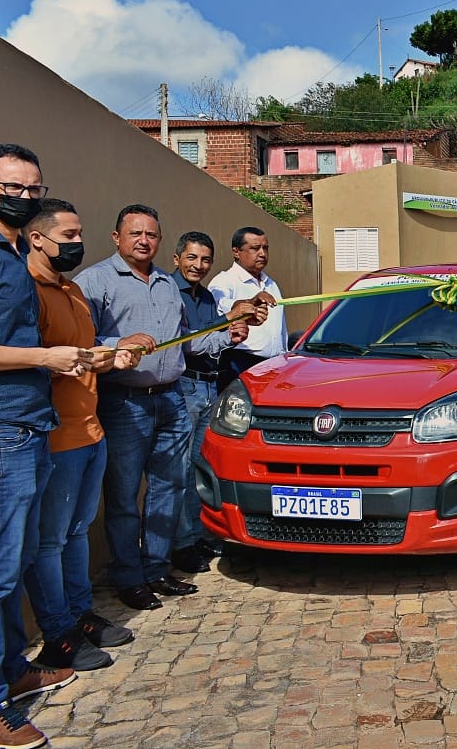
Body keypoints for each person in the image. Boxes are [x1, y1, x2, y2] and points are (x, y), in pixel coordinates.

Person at [0, 144, 88, 748]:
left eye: (35, 190)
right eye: (14, 187)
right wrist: (42, 357)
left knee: (18, 561)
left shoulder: (14, 259)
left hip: (29, 427)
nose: (25, 198)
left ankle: (12, 671)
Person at [75, 204, 259, 611]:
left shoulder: (164, 284)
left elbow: (188, 342)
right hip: (124, 403)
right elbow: (78, 341)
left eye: (151, 235)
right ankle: (129, 576)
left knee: (169, 488)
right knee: (123, 498)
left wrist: (227, 335)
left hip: (171, 399)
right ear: (116, 238)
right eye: (135, 233)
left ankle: (157, 569)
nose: (144, 241)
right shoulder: (94, 282)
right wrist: (114, 346)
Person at [24, 199, 139, 674]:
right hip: (55, 437)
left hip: (92, 430)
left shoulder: (71, 291)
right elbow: (31, 360)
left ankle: (79, 614)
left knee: (76, 534)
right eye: (68, 236)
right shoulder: (24, 292)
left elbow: (85, 353)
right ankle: (58, 633)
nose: (77, 243)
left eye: (78, 234)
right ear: (37, 239)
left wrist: (115, 355)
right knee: (49, 541)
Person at [170, 231, 245, 573]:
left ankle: (197, 535)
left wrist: (228, 334)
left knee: (198, 468)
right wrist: (227, 335)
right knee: (181, 471)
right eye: (191, 258)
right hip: (185, 388)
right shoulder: (171, 293)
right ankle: (181, 544)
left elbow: (211, 336)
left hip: (208, 387)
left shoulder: (205, 297)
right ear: (177, 259)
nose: (198, 265)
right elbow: (188, 345)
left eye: (204, 260)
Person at [209, 226, 287, 390]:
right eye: (255, 248)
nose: (262, 254)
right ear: (236, 252)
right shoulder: (224, 282)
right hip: (239, 365)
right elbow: (223, 311)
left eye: (265, 248)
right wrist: (250, 303)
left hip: (274, 367)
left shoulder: (272, 285)